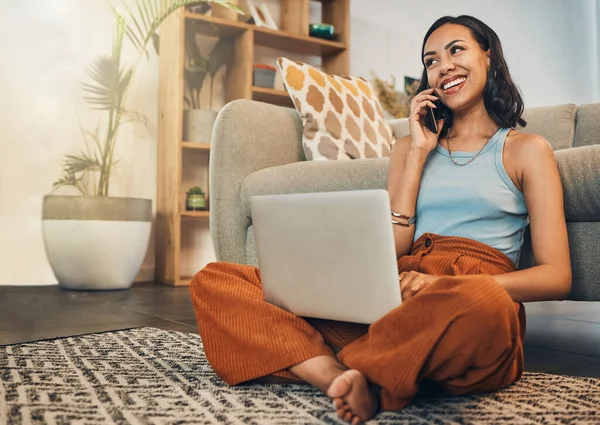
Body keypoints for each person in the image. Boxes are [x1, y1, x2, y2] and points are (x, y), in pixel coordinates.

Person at [189, 15, 571, 424]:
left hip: (467, 298)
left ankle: (346, 360)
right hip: (398, 293)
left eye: (456, 50)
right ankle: (341, 375)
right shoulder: (410, 146)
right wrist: (419, 153)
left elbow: (555, 277)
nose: (443, 67)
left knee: (484, 303)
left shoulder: (528, 149)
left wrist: (444, 284)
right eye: (431, 60)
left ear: (489, 56)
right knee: (216, 280)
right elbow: (394, 248)